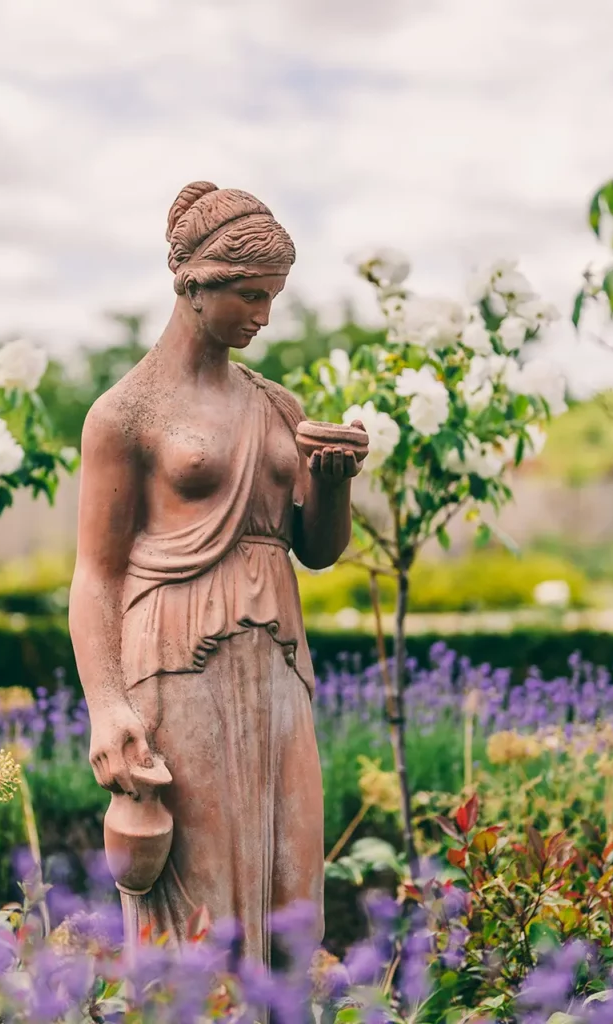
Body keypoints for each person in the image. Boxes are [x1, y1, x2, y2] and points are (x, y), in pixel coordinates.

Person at [69, 180, 367, 965]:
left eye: (273, 297)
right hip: (176, 657)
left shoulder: (279, 406)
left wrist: (332, 479)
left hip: (277, 662)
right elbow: (95, 576)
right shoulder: (125, 414)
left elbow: (317, 547)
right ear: (194, 283)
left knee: (293, 884)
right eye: (250, 295)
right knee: (202, 900)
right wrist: (106, 706)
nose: (264, 317)